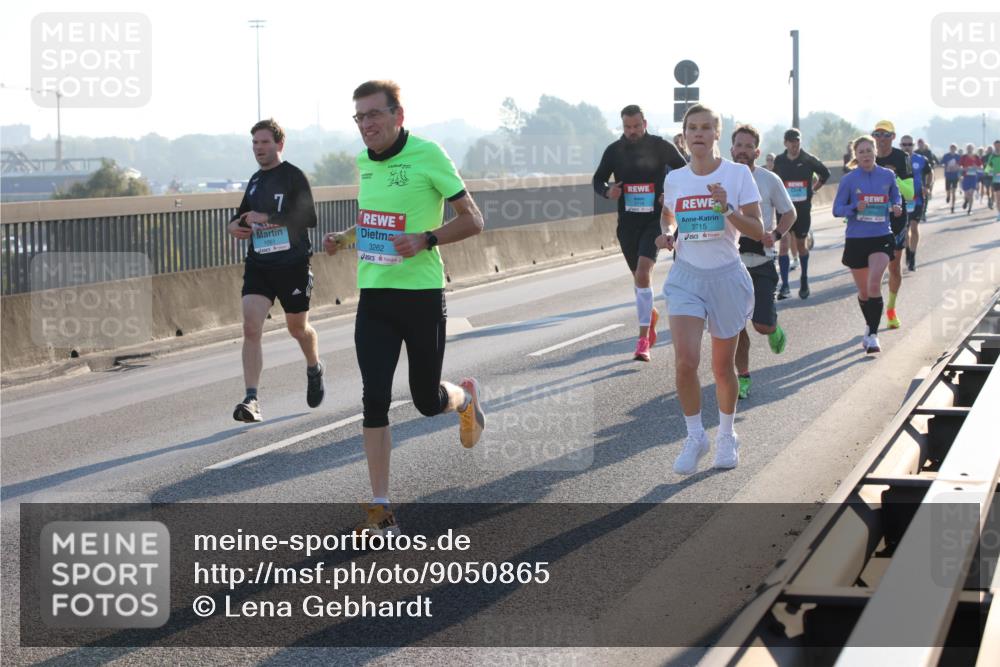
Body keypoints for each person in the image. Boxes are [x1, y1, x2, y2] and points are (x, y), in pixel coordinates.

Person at [324, 80, 485, 535]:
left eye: (374, 114)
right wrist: (345, 238)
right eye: (359, 117)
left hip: (420, 296)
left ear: (398, 114)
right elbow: (374, 219)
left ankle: (465, 399)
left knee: (425, 400)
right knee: (373, 399)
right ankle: (381, 509)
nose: (366, 125)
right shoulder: (362, 163)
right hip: (374, 296)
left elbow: (474, 219)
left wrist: (427, 238)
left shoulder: (429, 155)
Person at [655, 104, 764, 475]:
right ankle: (694, 435)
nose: (698, 134)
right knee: (685, 361)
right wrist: (668, 233)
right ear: (684, 135)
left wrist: (727, 208)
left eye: (705, 128)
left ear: (718, 134)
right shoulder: (676, 180)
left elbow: (756, 229)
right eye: (692, 128)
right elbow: (669, 214)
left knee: (721, 368)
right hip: (687, 276)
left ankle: (727, 435)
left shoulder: (737, 175)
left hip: (726, 277)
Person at [226, 118, 324, 423]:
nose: (259, 148)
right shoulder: (255, 181)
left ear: (279, 144)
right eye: (255, 143)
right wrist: (234, 225)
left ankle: (314, 366)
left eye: (265, 142)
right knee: (250, 327)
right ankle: (251, 398)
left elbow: (308, 217)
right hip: (260, 265)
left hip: (292, 265)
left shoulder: (293, 176)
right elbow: (241, 216)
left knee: (297, 329)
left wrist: (267, 215)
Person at [593, 105, 687, 361]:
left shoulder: (660, 146)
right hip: (627, 224)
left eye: (636, 126)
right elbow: (597, 179)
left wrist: (670, 194)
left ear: (645, 123)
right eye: (627, 127)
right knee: (639, 278)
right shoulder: (614, 151)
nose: (632, 131)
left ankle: (643, 340)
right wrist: (607, 192)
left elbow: (685, 170)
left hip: (654, 221)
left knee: (644, 273)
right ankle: (651, 314)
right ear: (622, 126)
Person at [730, 125, 796, 399]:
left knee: (761, 325)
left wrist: (776, 234)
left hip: (761, 262)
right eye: (738, 146)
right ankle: (743, 377)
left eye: (748, 147)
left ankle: (773, 326)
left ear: (756, 151)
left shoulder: (769, 179)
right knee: (735, 326)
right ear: (731, 149)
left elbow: (789, 213)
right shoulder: (720, 178)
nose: (743, 151)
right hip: (731, 265)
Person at [833, 135, 903, 354]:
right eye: (861, 151)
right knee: (864, 292)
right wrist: (854, 207)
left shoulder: (888, 175)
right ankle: (869, 326)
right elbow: (837, 209)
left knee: (874, 284)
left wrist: (897, 207)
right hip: (856, 239)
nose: (865, 154)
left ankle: (873, 335)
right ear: (856, 155)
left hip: (881, 235)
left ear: (875, 152)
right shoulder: (849, 180)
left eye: (868, 150)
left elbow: (897, 198)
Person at [773, 128, 830, 299]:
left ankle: (804, 279)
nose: (794, 144)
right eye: (790, 141)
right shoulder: (780, 160)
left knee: (800, 245)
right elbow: (775, 180)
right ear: (785, 143)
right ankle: (785, 285)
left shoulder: (808, 159)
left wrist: (813, 190)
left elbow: (825, 174)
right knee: (783, 245)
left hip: (803, 209)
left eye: (796, 140)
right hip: (783, 209)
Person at [872, 120, 913, 330]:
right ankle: (874, 313)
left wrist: (892, 176)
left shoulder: (901, 157)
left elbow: (909, 193)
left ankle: (891, 307)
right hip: (872, 220)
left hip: (896, 220)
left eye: (885, 135)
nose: (881, 139)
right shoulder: (868, 156)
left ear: (893, 137)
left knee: (894, 268)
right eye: (877, 134)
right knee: (875, 270)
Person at [900, 134, 931, 271]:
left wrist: (928, 187)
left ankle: (912, 256)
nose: (907, 147)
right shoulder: (896, 159)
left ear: (913, 146)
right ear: (900, 145)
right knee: (905, 231)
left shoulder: (921, 159)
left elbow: (930, 173)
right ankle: (907, 250)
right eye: (904, 144)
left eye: (909, 144)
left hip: (918, 199)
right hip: (902, 200)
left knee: (914, 227)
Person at [959, 143, 982, 215]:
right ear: (966, 149)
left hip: (973, 177)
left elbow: (981, 167)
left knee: (971, 194)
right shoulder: (964, 157)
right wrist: (964, 169)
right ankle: (966, 200)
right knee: (966, 194)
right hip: (966, 177)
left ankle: (970, 209)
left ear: (973, 149)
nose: (969, 149)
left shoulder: (976, 157)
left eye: (971, 148)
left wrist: (976, 167)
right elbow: (959, 167)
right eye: (968, 148)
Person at [942, 144, 961, 212]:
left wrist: (956, 167)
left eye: (954, 148)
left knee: (954, 192)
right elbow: (942, 163)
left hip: (955, 176)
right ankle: (948, 196)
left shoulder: (958, 156)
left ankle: (952, 206)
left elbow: (960, 165)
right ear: (950, 149)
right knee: (948, 190)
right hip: (948, 175)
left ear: (956, 149)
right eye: (951, 148)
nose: (952, 149)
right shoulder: (946, 156)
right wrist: (946, 167)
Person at [986, 140, 1000, 220]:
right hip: (996, 180)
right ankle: (999, 213)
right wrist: (989, 172)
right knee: (998, 197)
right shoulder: (992, 156)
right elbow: (988, 169)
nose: (997, 147)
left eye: (999, 145)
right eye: (996, 145)